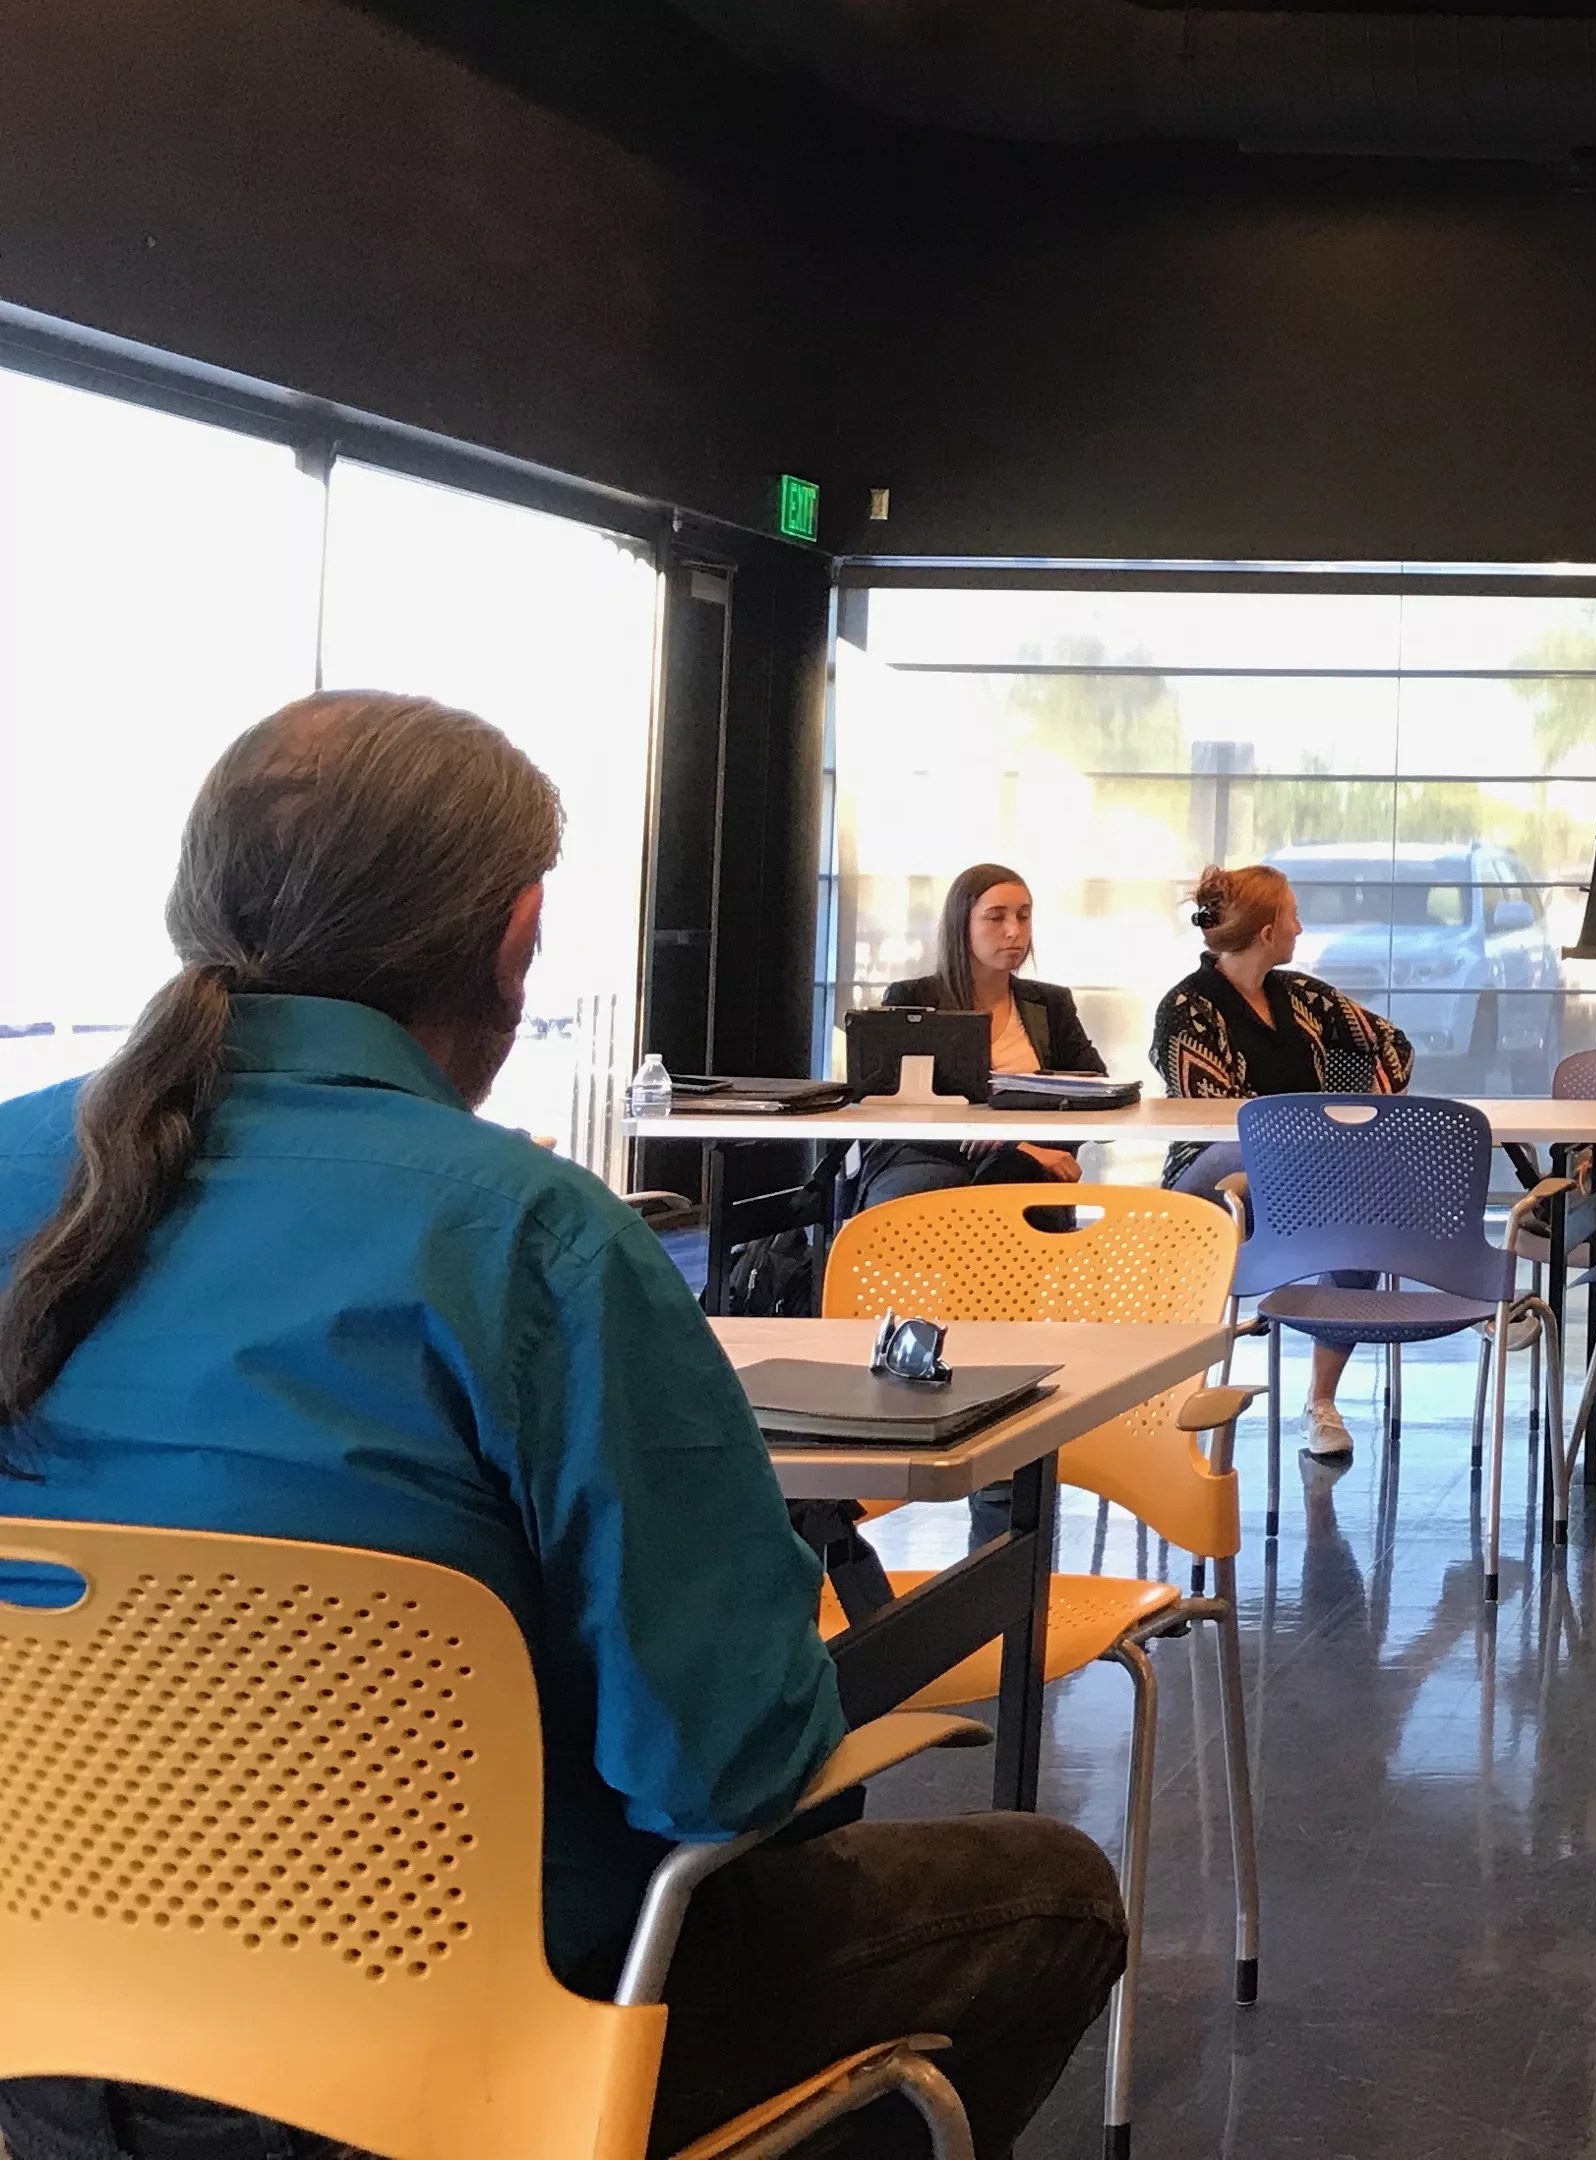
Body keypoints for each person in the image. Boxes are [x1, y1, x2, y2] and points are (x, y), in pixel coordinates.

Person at [0, 695, 1124, 2160]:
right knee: (1049, 1895)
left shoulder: (29, 1162)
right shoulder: (534, 1237)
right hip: (453, 2046)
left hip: (42, 2034)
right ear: (514, 931)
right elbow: (720, 1769)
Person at [1152, 862, 1414, 1459]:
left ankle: (1321, 1400)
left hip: (1311, 1174)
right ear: (1267, 931)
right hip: (1215, 1180)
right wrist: (1325, 1137)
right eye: (1293, 915)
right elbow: (1217, 1117)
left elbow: (1391, 1044)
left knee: (1364, 1210)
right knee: (1267, 1148)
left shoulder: (1304, 997)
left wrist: (1365, 1107)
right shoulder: (1187, 1009)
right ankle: (1174, 1397)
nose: (1301, 926)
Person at [848, 861, 1105, 1212]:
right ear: (962, 926)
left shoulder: (1050, 1004)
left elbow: (1096, 1089)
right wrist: (1015, 1144)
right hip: (928, 1156)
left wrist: (1027, 1145)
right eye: (996, 917)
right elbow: (886, 1108)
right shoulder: (913, 998)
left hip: (1022, 1166)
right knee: (944, 1187)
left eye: (1024, 916)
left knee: (1015, 1179)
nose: (1014, 931)